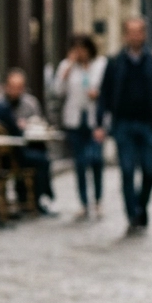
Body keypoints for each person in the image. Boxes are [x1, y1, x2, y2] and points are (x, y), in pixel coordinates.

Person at [95, 17, 152, 231]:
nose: (135, 36)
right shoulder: (114, 62)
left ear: (144, 34)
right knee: (127, 170)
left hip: (149, 124)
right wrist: (99, 123)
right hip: (123, 124)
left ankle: (141, 207)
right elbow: (104, 95)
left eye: (139, 31)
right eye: (131, 31)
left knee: (149, 170)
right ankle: (132, 214)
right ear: (125, 35)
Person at [53, 36, 107, 220]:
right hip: (75, 121)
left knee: (96, 161)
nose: (80, 52)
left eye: (82, 48)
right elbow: (57, 91)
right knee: (80, 163)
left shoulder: (100, 65)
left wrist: (98, 94)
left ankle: (98, 201)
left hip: (95, 121)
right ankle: (84, 203)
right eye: (76, 48)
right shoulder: (66, 66)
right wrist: (67, 68)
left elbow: (108, 90)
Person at [2, 68, 57, 214]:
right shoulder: (1, 104)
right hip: (6, 152)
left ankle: (37, 198)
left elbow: (39, 122)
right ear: (6, 86)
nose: (15, 91)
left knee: (42, 155)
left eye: (19, 87)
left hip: (28, 144)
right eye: (12, 87)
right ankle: (39, 197)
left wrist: (30, 125)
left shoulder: (30, 103)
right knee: (41, 161)